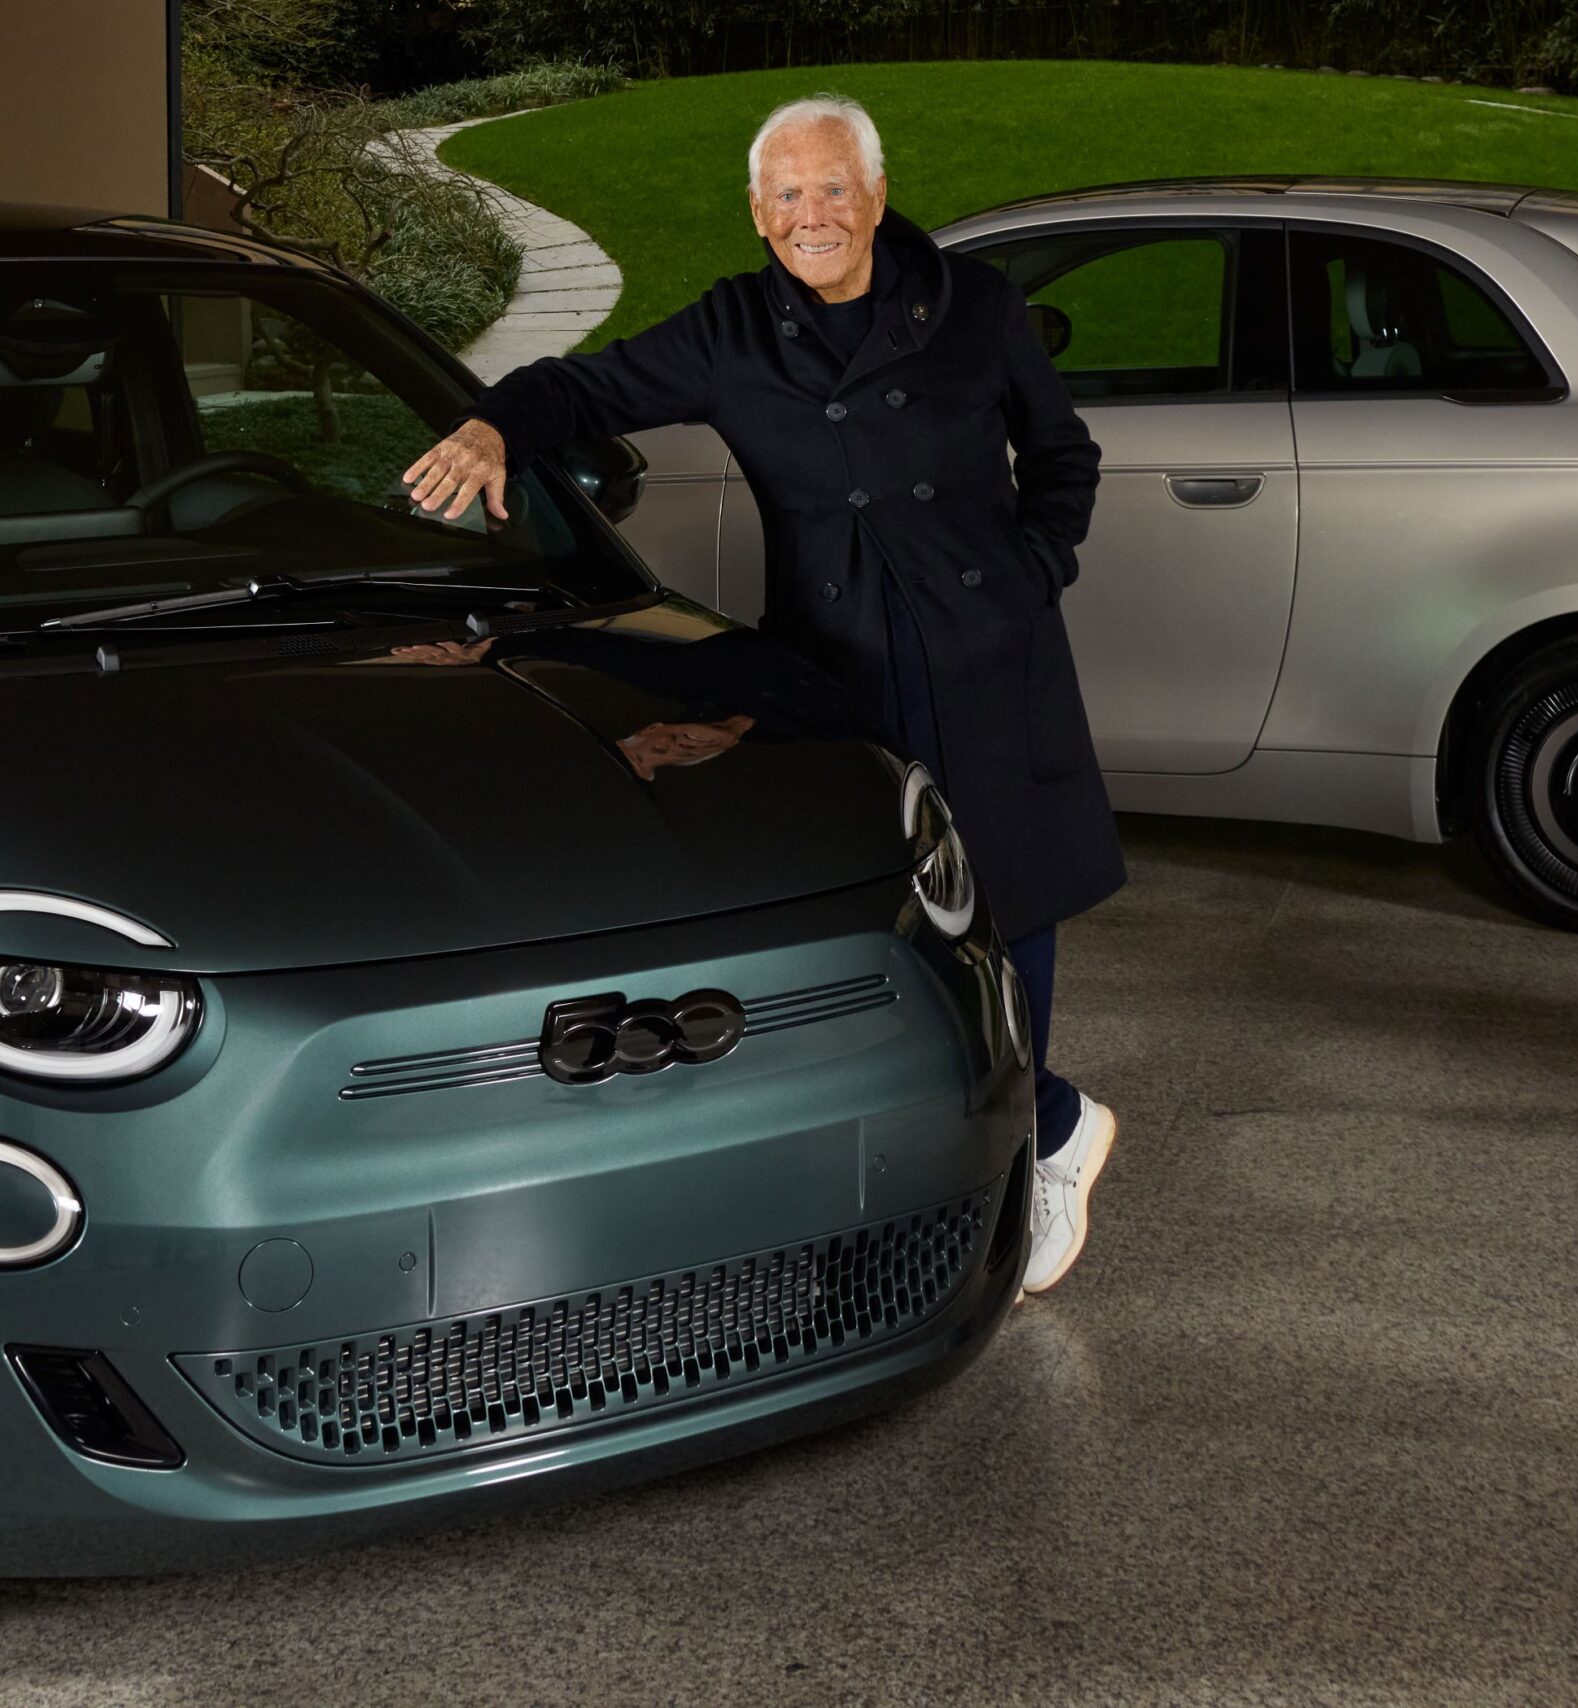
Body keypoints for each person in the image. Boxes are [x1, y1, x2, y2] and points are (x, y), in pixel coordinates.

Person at [400, 94, 1126, 1296]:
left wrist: (1028, 572)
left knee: (1006, 898)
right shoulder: (731, 330)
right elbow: (579, 391)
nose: (812, 214)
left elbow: (1064, 457)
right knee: (876, 911)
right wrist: (491, 426)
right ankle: (1045, 1117)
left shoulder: (974, 310)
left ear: (877, 196)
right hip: (837, 658)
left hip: (983, 650)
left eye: (833, 187)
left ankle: (1023, 1153)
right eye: (787, 195)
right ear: (756, 212)